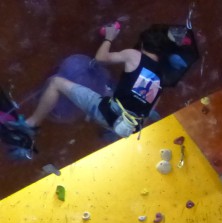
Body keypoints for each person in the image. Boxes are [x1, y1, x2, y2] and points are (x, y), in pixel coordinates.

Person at [13, 24, 166, 140]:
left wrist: (109, 38)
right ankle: (112, 131)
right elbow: (147, 113)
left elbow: (100, 58)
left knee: (55, 82)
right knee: (114, 95)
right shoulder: (160, 79)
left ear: (143, 44)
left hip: (107, 114)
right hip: (129, 127)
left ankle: (31, 125)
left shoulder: (134, 55)